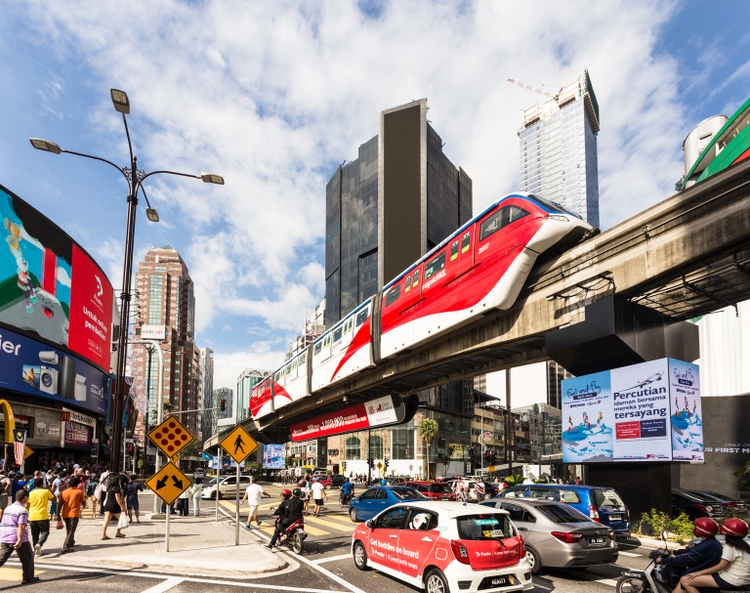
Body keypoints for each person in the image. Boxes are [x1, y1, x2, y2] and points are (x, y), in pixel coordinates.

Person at [678, 518, 750, 593]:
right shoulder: (744, 546)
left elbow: (721, 566)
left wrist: (698, 573)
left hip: (732, 580)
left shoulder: (730, 547)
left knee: (685, 580)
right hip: (744, 579)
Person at [655, 517, 722, 587]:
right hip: (706, 571)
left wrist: (664, 560)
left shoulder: (705, 545)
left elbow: (685, 560)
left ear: (701, 530)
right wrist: (675, 552)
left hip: (698, 572)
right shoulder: (712, 542)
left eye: (697, 527)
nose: (695, 529)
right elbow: (693, 549)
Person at [0, 489, 38, 584]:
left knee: (1, 559)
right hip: (18, 538)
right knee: (27, 558)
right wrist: (19, 540)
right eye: (27, 498)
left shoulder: (8, 508)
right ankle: (28, 577)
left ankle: (28, 577)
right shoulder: (22, 510)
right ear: (24, 498)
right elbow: (20, 526)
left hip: (5, 536)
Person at [57, 475, 86, 554]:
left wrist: (57, 515)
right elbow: (84, 503)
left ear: (69, 484)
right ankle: (65, 547)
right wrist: (83, 506)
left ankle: (71, 541)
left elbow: (59, 505)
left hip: (65, 514)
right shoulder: (80, 492)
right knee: (71, 530)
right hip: (74, 514)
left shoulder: (64, 492)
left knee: (69, 529)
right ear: (77, 484)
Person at [27, 477, 54, 557]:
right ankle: (39, 544)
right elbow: (54, 499)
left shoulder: (30, 493)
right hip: (42, 516)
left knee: (34, 534)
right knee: (45, 531)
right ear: (42, 484)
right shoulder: (46, 491)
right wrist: (49, 489)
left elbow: (27, 505)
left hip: (32, 516)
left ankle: (36, 551)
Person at [101, 470, 127, 540]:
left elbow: (106, 497)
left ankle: (103, 535)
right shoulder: (116, 488)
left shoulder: (109, 488)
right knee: (121, 520)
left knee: (106, 521)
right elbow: (117, 498)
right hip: (115, 506)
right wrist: (122, 507)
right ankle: (118, 533)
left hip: (107, 505)